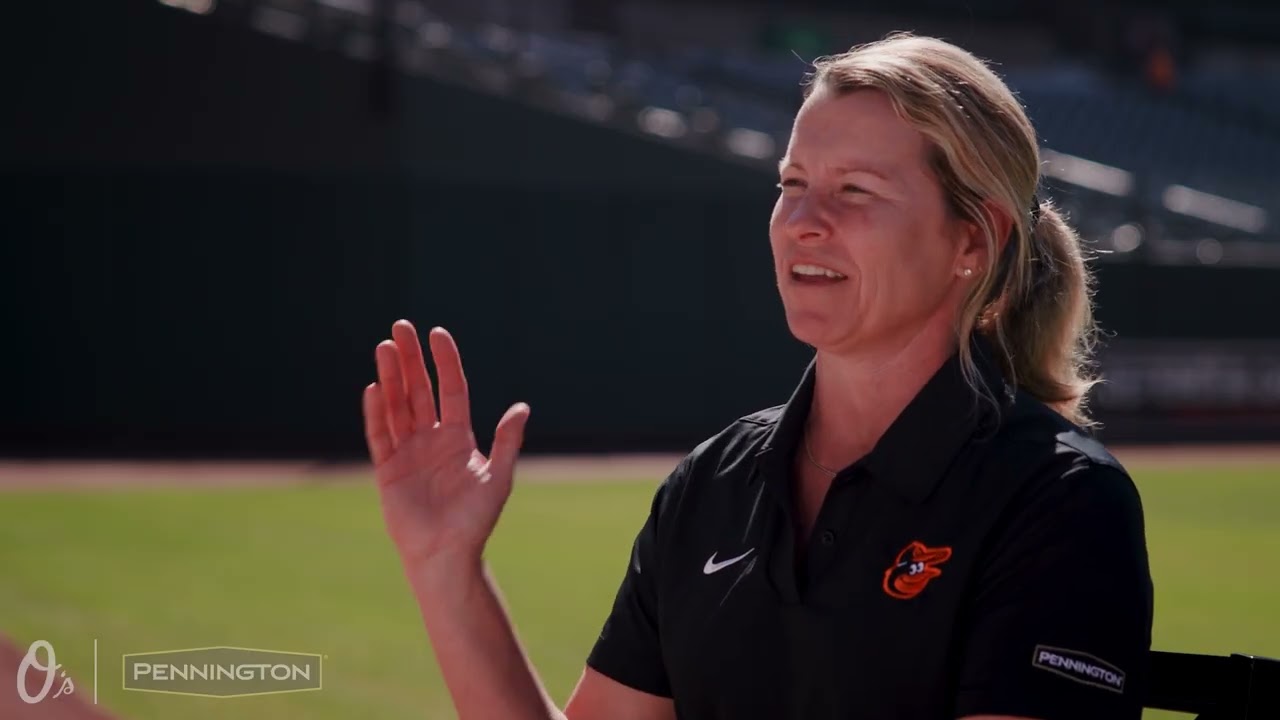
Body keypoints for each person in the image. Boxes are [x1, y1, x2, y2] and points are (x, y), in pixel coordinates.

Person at [361, 32, 1154, 720]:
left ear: (973, 242)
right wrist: (447, 571)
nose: (804, 220)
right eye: (791, 183)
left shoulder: (1059, 502)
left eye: (855, 191)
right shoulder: (711, 486)